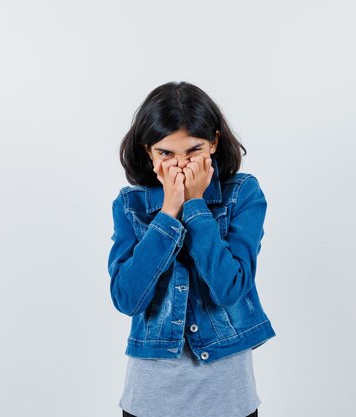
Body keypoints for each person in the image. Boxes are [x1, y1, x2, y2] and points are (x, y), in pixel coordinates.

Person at [107, 81, 276, 417]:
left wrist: (196, 205)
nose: (181, 166)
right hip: (150, 397)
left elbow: (229, 288)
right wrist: (168, 213)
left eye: (193, 151)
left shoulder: (243, 195)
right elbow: (126, 298)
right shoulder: (130, 205)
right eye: (166, 153)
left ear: (214, 142)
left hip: (226, 396)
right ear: (148, 153)